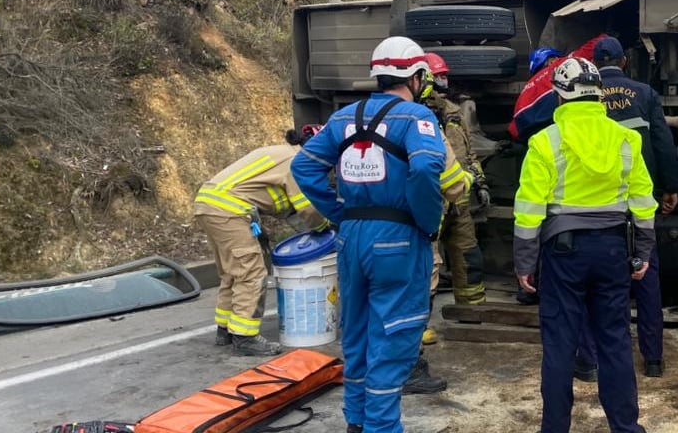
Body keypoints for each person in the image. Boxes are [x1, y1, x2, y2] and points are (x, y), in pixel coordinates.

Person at [291, 37, 473, 433]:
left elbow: (304, 168)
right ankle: (381, 428)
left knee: (357, 333)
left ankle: (355, 423)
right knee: (396, 337)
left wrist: (341, 214)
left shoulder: (343, 118)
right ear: (417, 75)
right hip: (399, 236)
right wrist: (427, 222)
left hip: (351, 237)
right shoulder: (416, 118)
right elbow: (426, 169)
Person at [514, 57, 656, 433]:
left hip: (564, 252)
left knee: (560, 346)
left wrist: (525, 263)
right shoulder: (626, 139)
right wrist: (642, 250)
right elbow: (643, 203)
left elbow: (529, 210)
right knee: (615, 341)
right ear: (598, 96)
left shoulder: (544, 142)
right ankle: (626, 428)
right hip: (612, 251)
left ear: (560, 97)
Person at [575, 37, 678, 380]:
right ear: (623, 62)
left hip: (598, 205)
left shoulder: (583, 97)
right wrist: (670, 187)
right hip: (639, 203)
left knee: (597, 285)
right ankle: (653, 360)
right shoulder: (645, 94)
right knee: (646, 278)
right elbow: (663, 142)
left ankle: (590, 363)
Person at [194, 126, 330, 356]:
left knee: (232, 271)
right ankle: (245, 337)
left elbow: (281, 204)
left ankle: (225, 329)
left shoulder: (279, 153)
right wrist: (324, 227)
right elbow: (305, 206)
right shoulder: (297, 162)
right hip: (229, 210)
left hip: (209, 205)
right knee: (252, 272)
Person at [422, 52, 490, 307]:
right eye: (439, 75)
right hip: (431, 202)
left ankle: (472, 310)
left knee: (469, 257)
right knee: (427, 264)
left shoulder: (453, 112)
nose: (444, 81)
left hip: (459, 202)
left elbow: (469, 152)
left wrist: (480, 184)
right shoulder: (415, 115)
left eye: (445, 75)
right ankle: (421, 323)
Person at [509, 37, 607, 141]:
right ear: (552, 60)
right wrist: (605, 36)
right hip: (561, 132)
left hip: (528, 137)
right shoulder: (557, 66)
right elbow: (586, 51)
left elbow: (513, 129)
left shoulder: (526, 88)